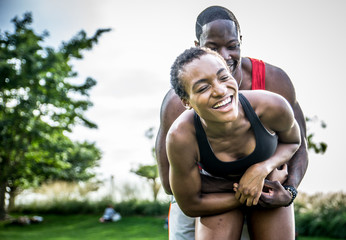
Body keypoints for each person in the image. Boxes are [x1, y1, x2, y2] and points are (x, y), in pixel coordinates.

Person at [155, 5, 308, 240]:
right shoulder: (177, 105)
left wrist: (288, 190)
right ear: (197, 46)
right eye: (213, 47)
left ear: (240, 40)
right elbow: (169, 185)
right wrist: (248, 184)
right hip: (201, 196)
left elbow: (297, 144)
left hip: (267, 189)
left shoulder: (274, 85)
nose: (225, 56)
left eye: (232, 45)